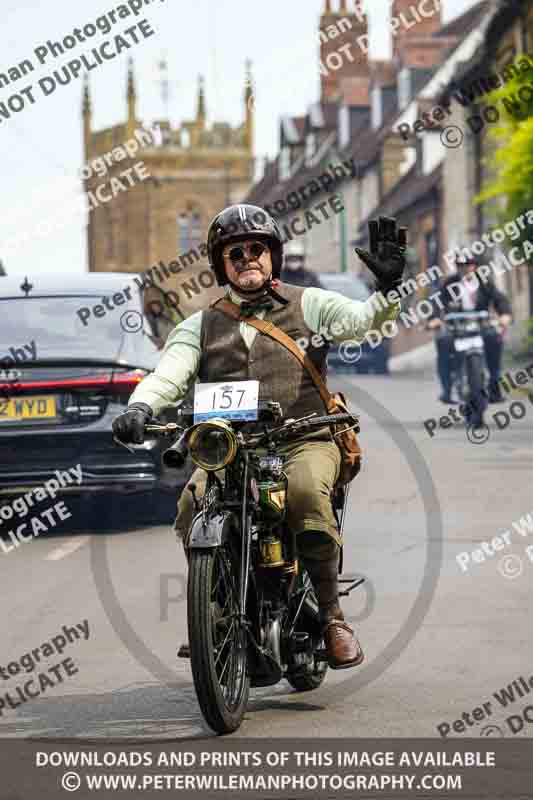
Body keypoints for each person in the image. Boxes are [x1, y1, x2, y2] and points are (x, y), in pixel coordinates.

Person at [112, 205, 407, 670]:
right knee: (192, 504)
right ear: (221, 264)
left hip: (304, 436)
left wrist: (388, 289)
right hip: (228, 447)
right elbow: (167, 375)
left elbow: (364, 321)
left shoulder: (310, 303)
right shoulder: (199, 326)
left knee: (307, 495)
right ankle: (214, 611)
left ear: (272, 257)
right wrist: (140, 407)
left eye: (256, 249)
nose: (247, 259)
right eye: (236, 253)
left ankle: (332, 617)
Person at [428, 254, 512, 404]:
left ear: (475, 266)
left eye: (468, 264)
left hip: (481, 325)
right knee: (442, 340)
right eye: (460, 265)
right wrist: (434, 318)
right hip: (456, 327)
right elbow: (437, 302)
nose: (465, 268)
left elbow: (499, 299)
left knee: (494, 340)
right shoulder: (449, 284)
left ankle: (494, 387)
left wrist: (504, 314)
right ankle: (447, 389)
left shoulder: (485, 282)